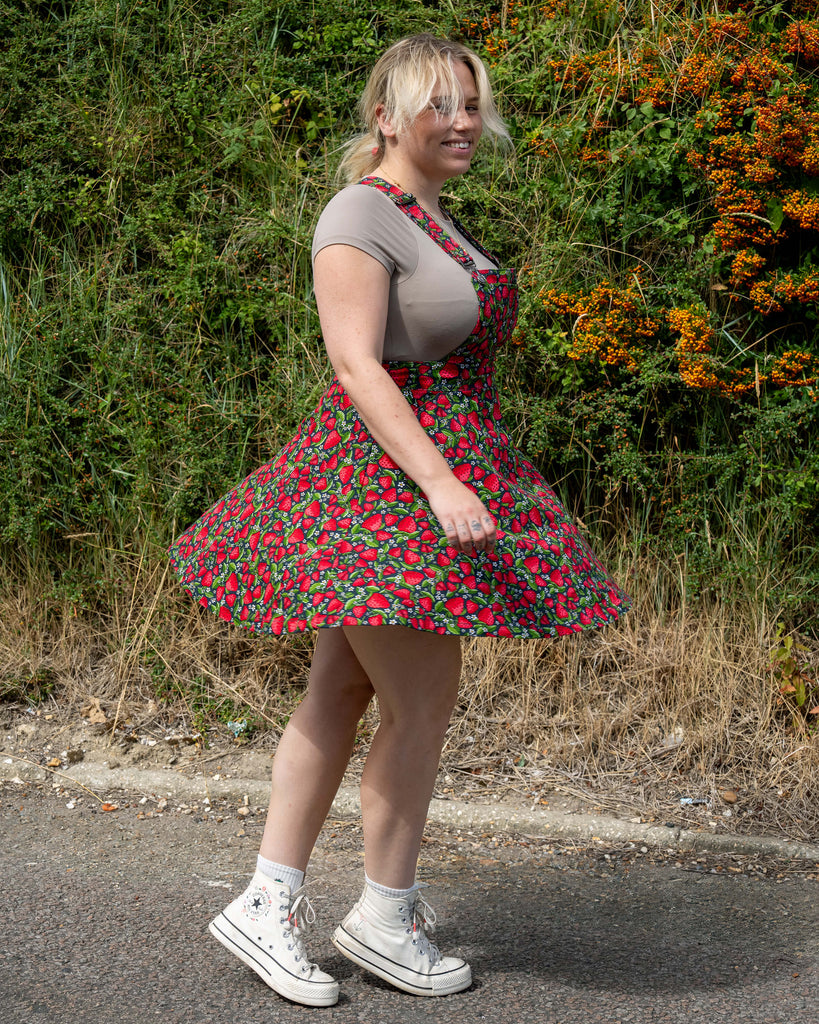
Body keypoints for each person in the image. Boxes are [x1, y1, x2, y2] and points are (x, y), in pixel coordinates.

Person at [168, 33, 629, 1007]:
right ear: (387, 115)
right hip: (382, 483)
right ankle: (382, 911)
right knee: (422, 698)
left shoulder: (434, 217)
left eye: (471, 103)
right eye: (440, 104)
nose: (463, 121)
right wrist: (442, 484)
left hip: (420, 472)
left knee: (340, 692)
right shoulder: (359, 213)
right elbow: (356, 364)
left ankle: (270, 900)